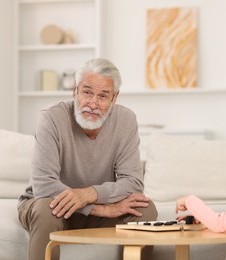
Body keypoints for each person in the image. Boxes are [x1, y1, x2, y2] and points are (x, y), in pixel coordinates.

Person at [18, 58, 158, 260]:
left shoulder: (126, 120)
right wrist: (99, 209)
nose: (93, 103)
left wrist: (90, 194)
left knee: (145, 209)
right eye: (87, 92)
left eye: (103, 96)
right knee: (46, 209)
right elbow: (44, 186)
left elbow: (133, 183)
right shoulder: (51, 118)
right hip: (52, 205)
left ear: (114, 98)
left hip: (92, 204)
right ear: (74, 90)